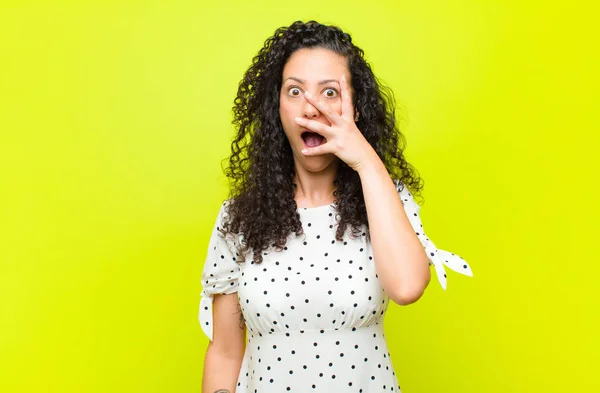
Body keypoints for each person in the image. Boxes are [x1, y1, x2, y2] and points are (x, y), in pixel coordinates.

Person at [199, 20, 473, 393]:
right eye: (294, 90)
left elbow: (408, 287)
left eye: (330, 92)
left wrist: (364, 159)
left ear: (356, 109)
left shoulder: (385, 198)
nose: (311, 108)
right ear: (276, 108)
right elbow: (226, 353)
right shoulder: (238, 218)